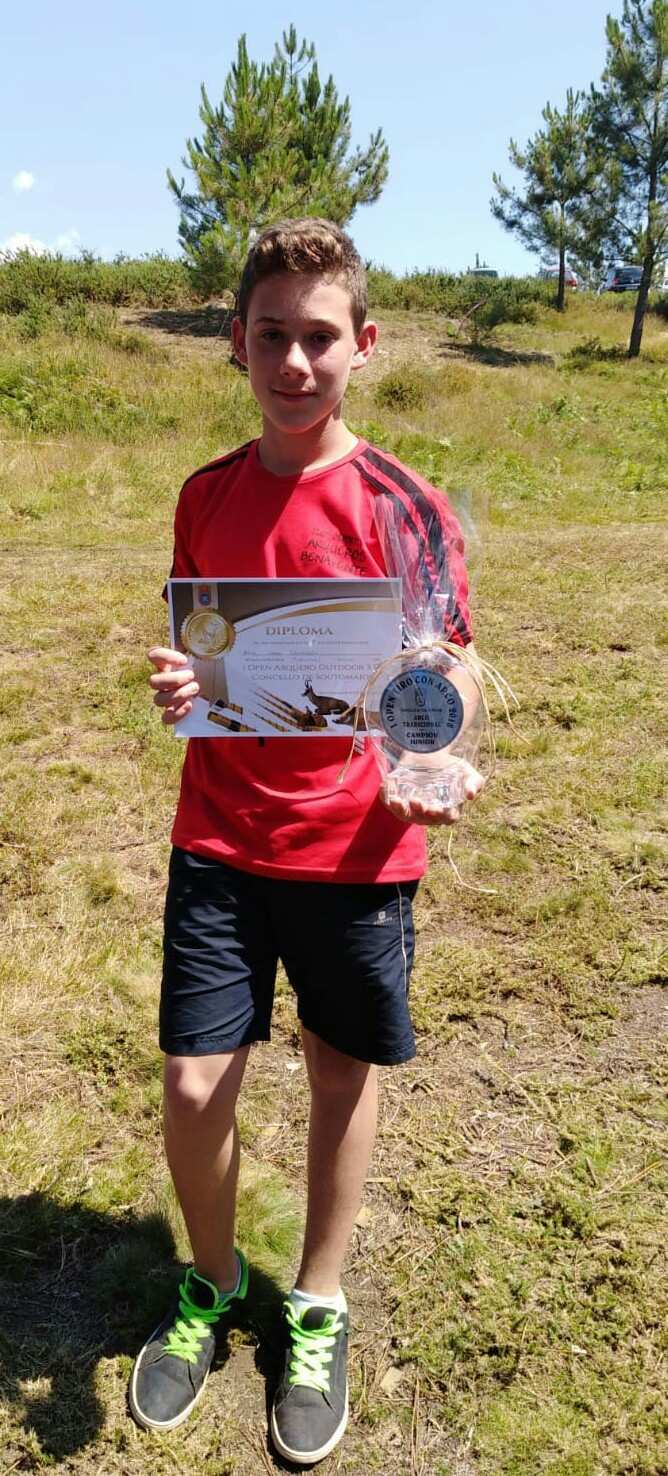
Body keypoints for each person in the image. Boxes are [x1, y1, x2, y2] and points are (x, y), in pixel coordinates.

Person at [129, 218, 483, 1465]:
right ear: (236, 342)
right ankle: (214, 1281)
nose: (293, 362)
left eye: (318, 338)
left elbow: (446, 665)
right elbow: (206, 649)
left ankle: (317, 1301)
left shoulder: (404, 504)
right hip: (220, 837)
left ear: (362, 345)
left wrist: (436, 758)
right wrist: (185, 686)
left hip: (354, 853)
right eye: (270, 336)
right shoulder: (204, 495)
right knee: (193, 1084)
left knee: (339, 1071)